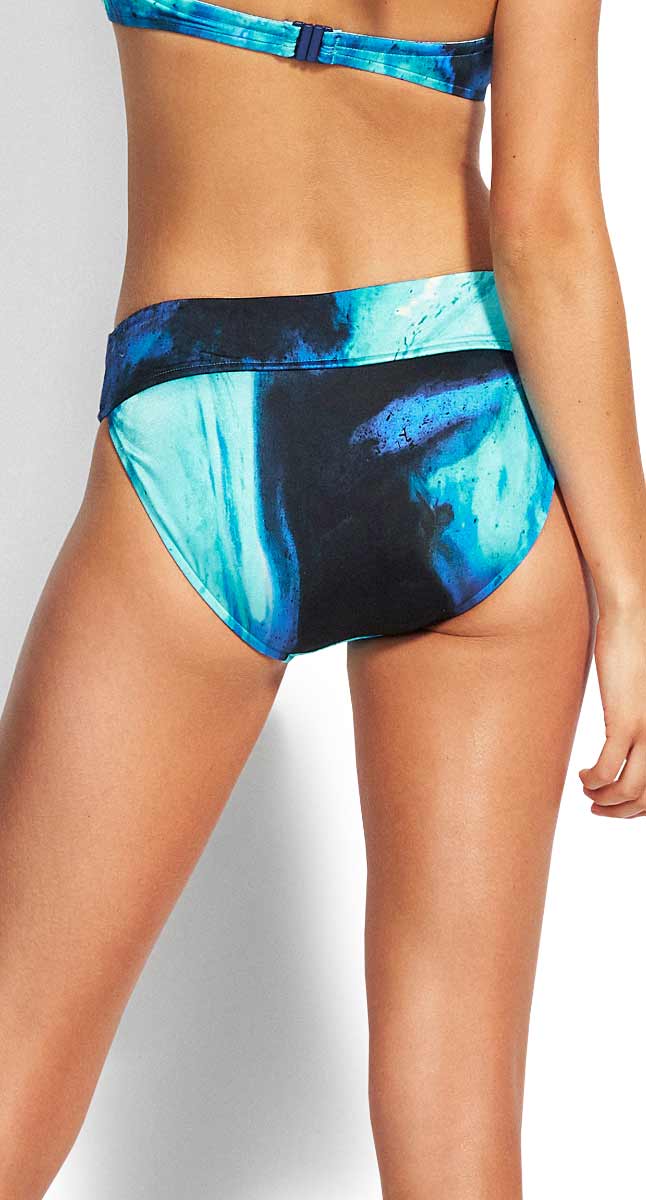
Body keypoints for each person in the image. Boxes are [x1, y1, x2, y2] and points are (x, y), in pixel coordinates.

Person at [1, 1, 644, 1196]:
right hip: (473, 451)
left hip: (205, 427)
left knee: (13, 1047)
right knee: (457, 1126)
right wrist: (630, 588)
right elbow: (547, 220)